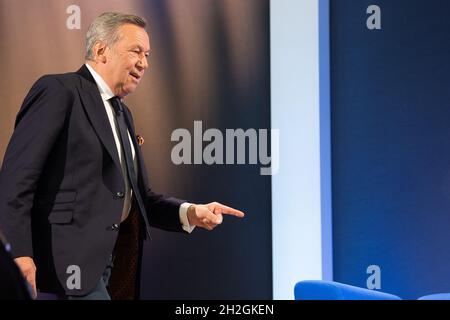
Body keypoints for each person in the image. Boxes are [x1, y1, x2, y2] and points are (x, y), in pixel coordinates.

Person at [0, 12, 244, 300]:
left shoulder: (122, 113)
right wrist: (20, 254)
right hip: (69, 264)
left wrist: (190, 212)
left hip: (113, 266)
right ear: (102, 50)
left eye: (148, 54)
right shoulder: (59, 90)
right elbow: (16, 181)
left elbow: (139, 197)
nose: (144, 63)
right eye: (136, 51)